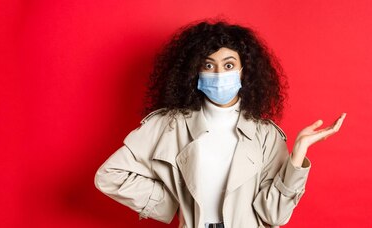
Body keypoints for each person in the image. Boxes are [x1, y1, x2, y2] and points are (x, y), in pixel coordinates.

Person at [94, 19, 346, 228]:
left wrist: (298, 154)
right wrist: (168, 203)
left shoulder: (266, 135)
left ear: (243, 72)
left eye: (228, 65)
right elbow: (109, 176)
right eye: (208, 65)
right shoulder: (168, 125)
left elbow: (275, 216)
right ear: (195, 72)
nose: (218, 74)